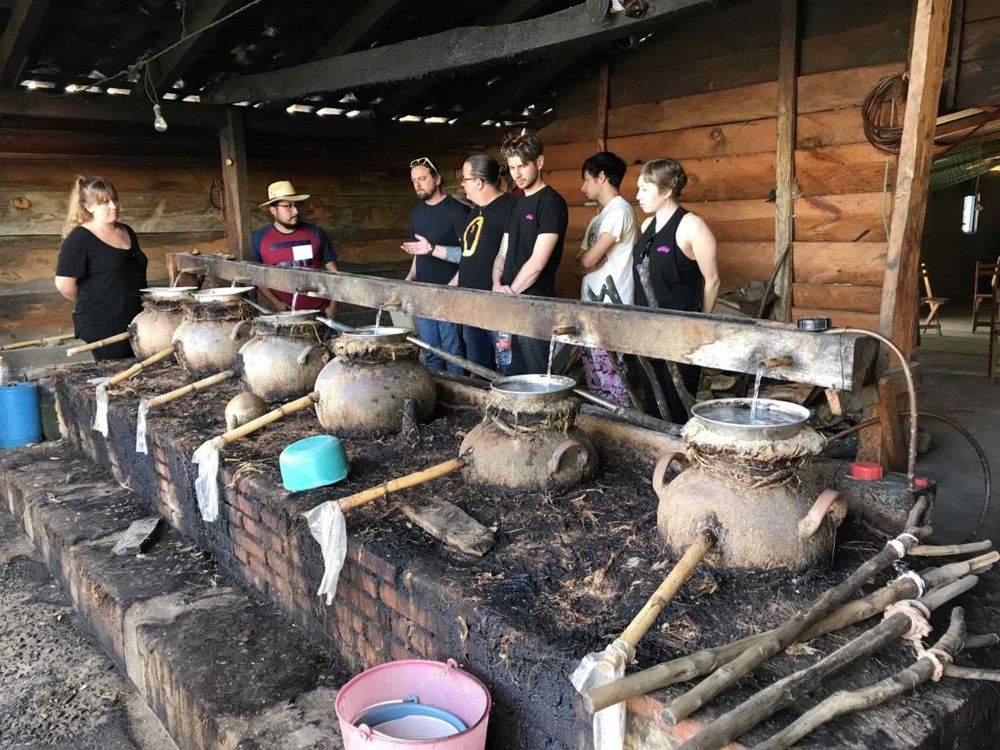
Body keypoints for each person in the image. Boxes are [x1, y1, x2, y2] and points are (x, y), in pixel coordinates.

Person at [632, 158, 720, 423]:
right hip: (646, 330)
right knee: (652, 402)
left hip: (680, 334)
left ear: (667, 191)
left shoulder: (692, 226)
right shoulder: (647, 226)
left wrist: (700, 322)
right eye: (638, 189)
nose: (638, 196)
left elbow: (713, 280)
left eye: (645, 189)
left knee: (678, 404)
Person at [492, 132, 568, 375]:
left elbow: (537, 263)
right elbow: (503, 251)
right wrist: (496, 283)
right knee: (509, 371)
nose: (517, 174)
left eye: (523, 166)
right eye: (512, 167)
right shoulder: (514, 203)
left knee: (537, 375)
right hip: (508, 300)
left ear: (539, 162)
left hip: (535, 304)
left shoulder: (551, 203)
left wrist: (511, 292)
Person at [54, 176, 148, 360]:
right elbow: (64, 285)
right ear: (88, 207)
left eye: (115, 200)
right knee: (116, 374)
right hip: (103, 323)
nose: (113, 206)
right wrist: (97, 300)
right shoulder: (80, 238)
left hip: (137, 319)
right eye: (105, 202)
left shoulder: (127, 231)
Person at [574, 151, 637, 406]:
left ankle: (619, 425)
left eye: (586, 179)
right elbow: (576, 265)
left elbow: (587, 260)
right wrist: (586, 262)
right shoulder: (597, 219)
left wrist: (586, 262)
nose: (583, 187)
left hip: (613, 307)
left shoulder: (620, 210)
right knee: (595, 378)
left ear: (601, 177)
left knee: (613, 380)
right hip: (592, 306)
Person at [401, 156, 469, 374]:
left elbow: (470, 257)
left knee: (453, 351)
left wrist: (452, 287)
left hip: (449, 293)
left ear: (437, 179)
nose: (417, 184)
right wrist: (410, 278)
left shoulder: (458, 211)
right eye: (414, 181)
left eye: (422, 179)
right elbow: (418, 252)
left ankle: (458, 391)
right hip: (423, 294)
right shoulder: (417, 213)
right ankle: (438, 390)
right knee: (430, 351)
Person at [251, 181, 339, 318]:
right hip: (286, 317)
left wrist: (333, 306)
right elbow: (257, 277)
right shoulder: (259, 239)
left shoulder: (316, 233)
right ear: (273, 210)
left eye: (296, 205)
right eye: (288, 206)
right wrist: (275, 302)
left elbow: (334, 272)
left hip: (321, 314)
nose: (296, 211)